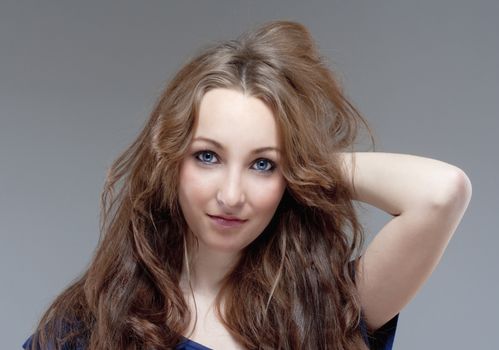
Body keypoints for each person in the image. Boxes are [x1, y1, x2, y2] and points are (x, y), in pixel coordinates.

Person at [23, 20, 472, 350]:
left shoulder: (328, 310)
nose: (231, 195)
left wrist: (307, 162)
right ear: (170, 161)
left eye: (262, 165)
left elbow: (441, 192)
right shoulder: (89, 326)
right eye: (207, 156)